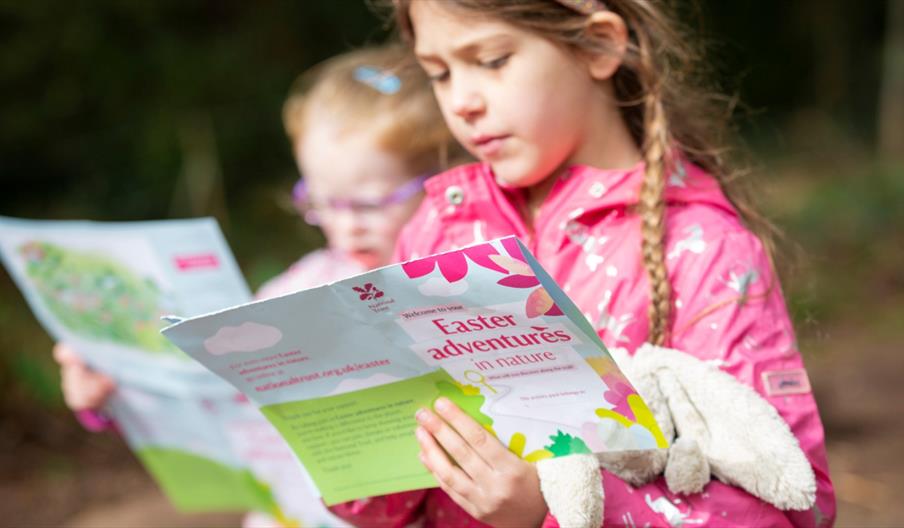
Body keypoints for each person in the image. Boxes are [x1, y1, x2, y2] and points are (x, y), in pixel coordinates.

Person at [324, 0, 836, 527]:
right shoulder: (438, 229)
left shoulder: (703, 250)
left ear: (598, 45)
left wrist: (554, 510)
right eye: (440, 73)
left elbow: (793, 508)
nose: (462, 101)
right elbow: (399, 497)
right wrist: (345, 450)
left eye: (493, 60)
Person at [53, 43, 462, 526]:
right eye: (322, 201)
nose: (345, 226)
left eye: (370, 204)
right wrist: (110, 394)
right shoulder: (307, 281)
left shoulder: (454, 287)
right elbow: (214, 393)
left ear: (445, 177)